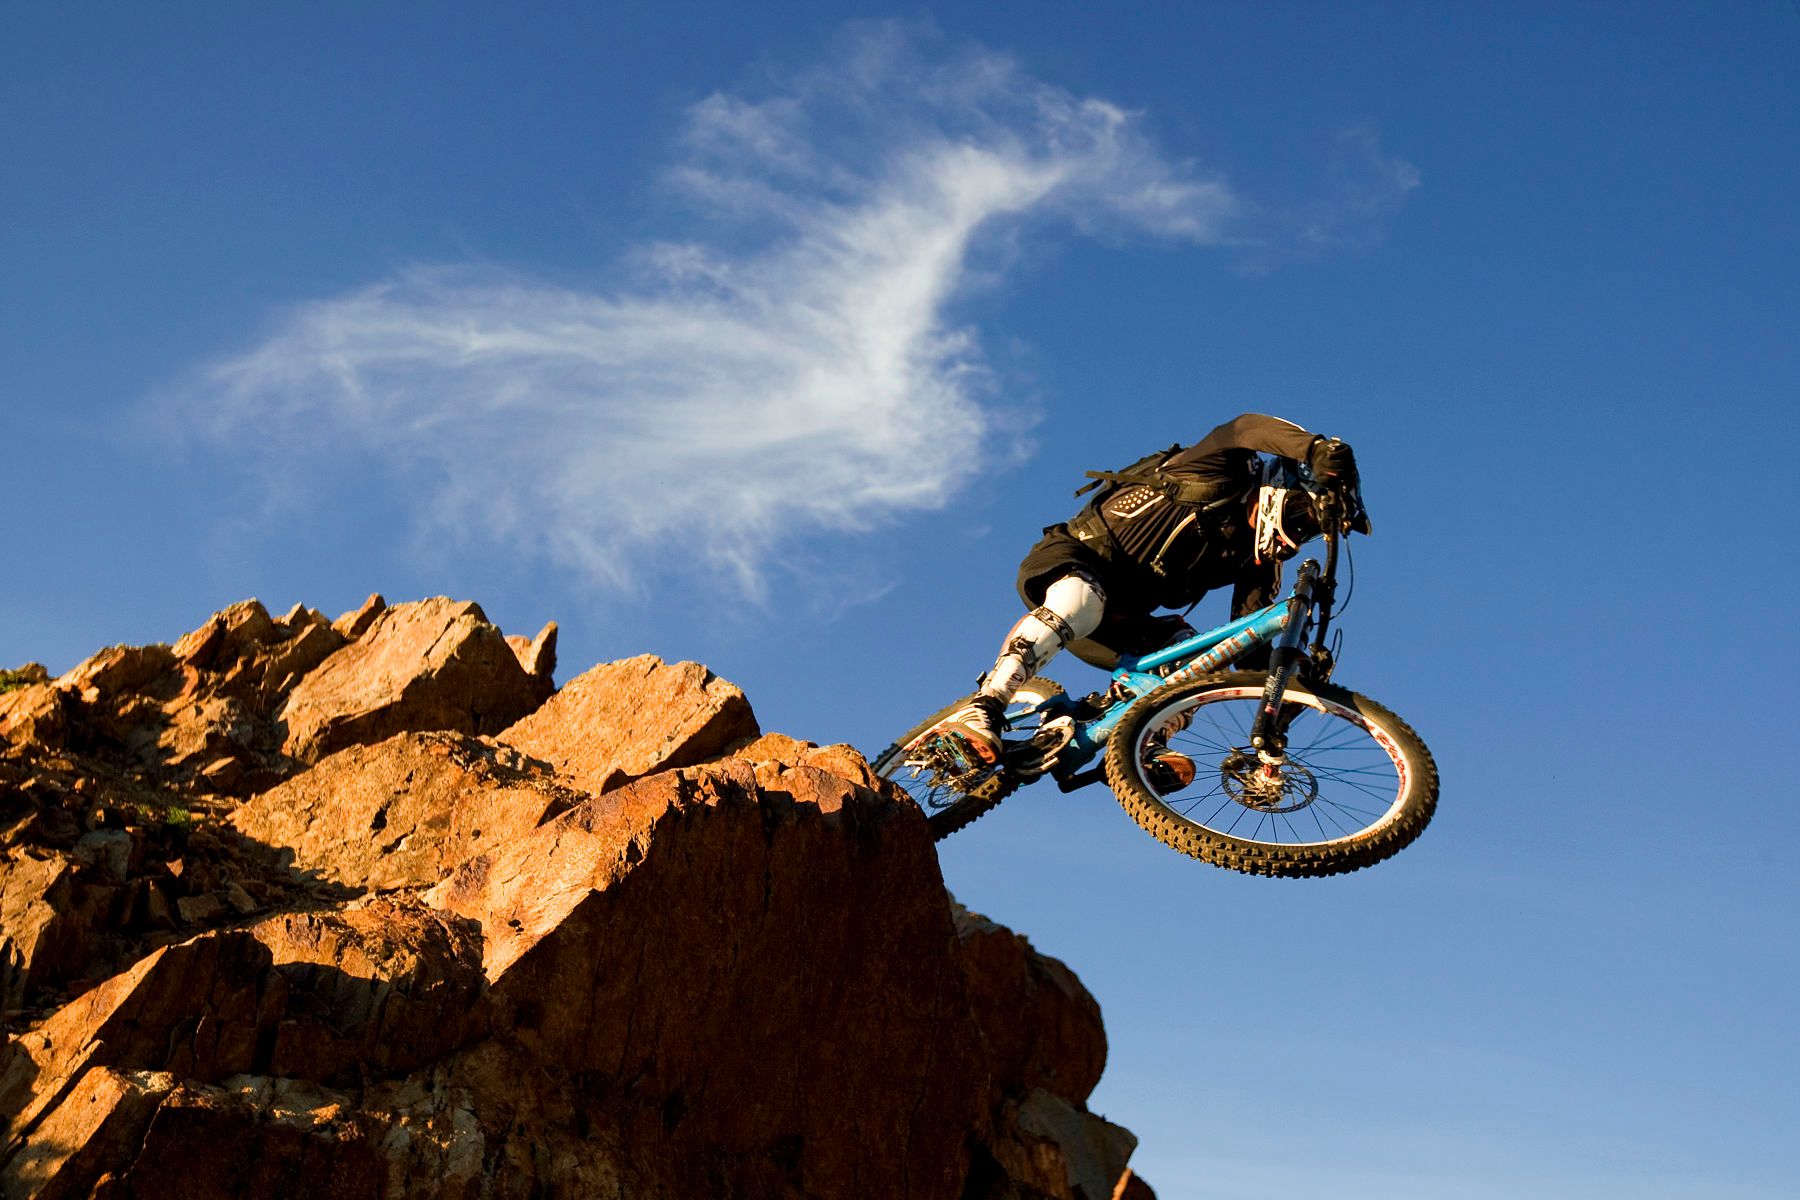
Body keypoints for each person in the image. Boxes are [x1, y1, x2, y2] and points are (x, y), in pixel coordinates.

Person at [934, 413, 1368, 766]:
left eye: (1307, 533)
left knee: (1203, 661)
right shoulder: (1217, 472)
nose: (1295, 537)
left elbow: (1248, 642)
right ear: (1279, 490)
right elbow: (1241, 429)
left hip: (1120, 625)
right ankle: (986, 706)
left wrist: (1290, 683)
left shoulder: (1256, 561)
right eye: (1299, 518)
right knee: (1082, 597)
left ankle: (1143, 745)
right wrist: (1312, 448)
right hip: (1073, 562)